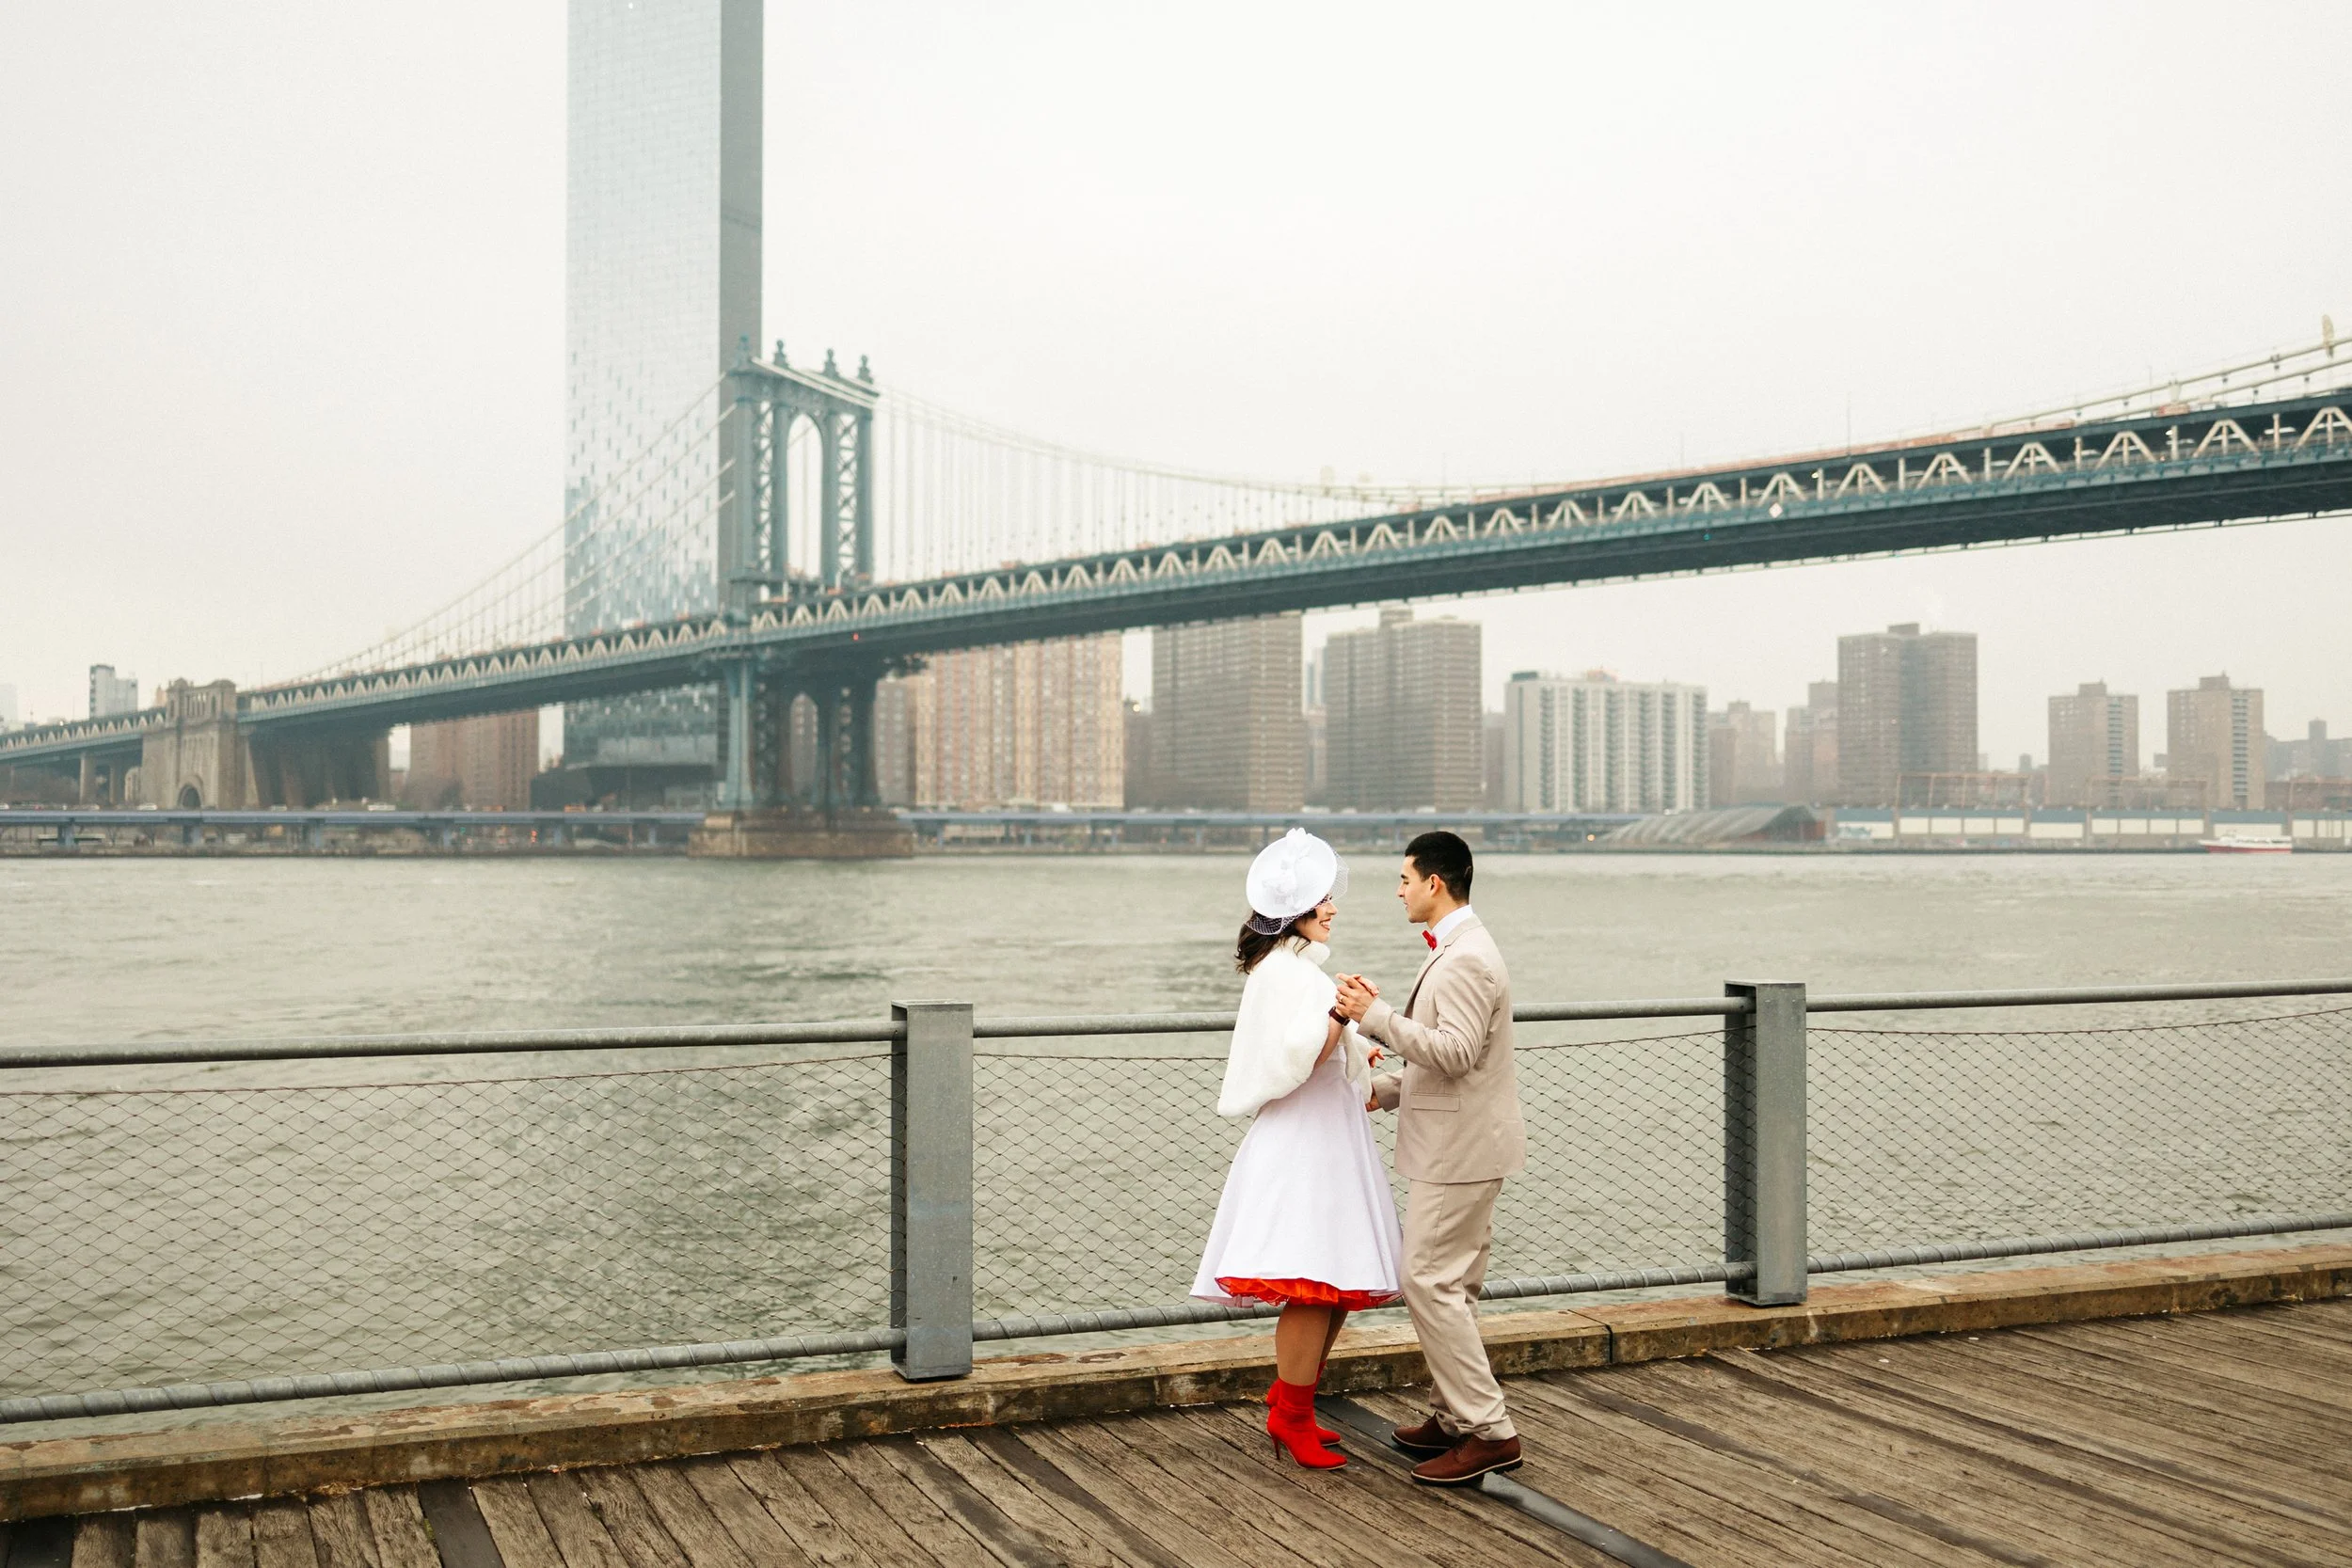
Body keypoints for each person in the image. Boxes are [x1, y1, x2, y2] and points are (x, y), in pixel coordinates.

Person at [1192, 828, 1403, 1469]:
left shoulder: (1286, 971)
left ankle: (1292, 1399)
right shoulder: (1288, 975)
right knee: (1314, 1285)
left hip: (1325, 1136)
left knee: (1334, 1283)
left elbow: (1307, 1053)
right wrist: (1341, 1018)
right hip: (1310, 1144)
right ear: (1296, 909)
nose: (1332, 907)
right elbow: (1295, 1057)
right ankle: (1290, 1413)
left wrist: (1350, 1040)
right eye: (1320, 900)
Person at [1334, 829, 1528, 1485]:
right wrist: (1385, 1091)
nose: (1399, 889)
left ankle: (1490, 1429)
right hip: (1468, 1140)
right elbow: (1451, 1061)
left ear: (1434, 883)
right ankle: (1453, 1414)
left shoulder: (1468, 957)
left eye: (1405, 878)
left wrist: (1375, 1014)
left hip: (1460, 1150)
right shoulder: (1461, 948)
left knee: (1426, 1278)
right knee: (1457, 1283)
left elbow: (1455, 1051)